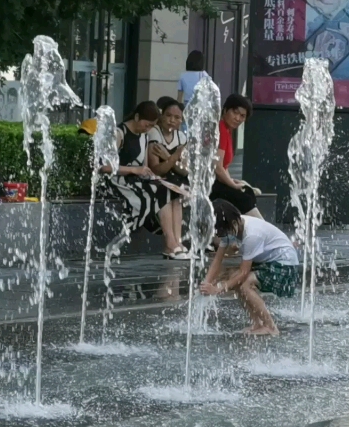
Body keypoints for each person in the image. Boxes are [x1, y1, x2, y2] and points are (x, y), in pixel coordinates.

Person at [101, 101, 190, 260]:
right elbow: (104, 167)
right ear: (136, 117)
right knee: (159, 192)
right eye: (146, 125)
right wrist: (133, 170)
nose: (147, 129)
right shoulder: (119, 133)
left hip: (136, 179)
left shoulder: (143, 136)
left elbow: (144, 167)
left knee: (171, 189)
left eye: (151, 126)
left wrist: (152, 176)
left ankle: (177, 242)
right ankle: (170, 243)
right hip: (117, 180)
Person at [199, 199, 300, 336]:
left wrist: (217, 289)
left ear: (234, 223)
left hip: (285, 266)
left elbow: (243, 272)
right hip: (269, 262)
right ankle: (257, 324)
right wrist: (206, 285)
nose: (224, 236)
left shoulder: (252, 234)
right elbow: (217, 260)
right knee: (232, 277)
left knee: (245, 283)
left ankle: (270, 327)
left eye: (224, 232)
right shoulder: (231, 227)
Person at [210, 94, 263, 218]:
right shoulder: (221, 128)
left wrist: (232, 181)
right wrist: (232, 185)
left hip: (215, 182)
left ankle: (256, 229)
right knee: (243, 197)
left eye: (242, 116)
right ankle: (263, 229)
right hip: (209, 185)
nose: (238, 118)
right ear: (225, 110)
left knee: (247, 192)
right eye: (235, 112)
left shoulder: (227, 130)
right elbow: (217, 167)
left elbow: (223, 167)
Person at [147, 97, 189, 187]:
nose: (172, 120)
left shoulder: (181, 137)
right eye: (168, 115)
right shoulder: (154, 133)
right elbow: (156, 170)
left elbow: (185, 171)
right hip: (159, 183)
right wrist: (175, 158)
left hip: (178, 182)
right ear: (162, 116)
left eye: (177, 117)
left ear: (181, 121)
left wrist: (167, 157)